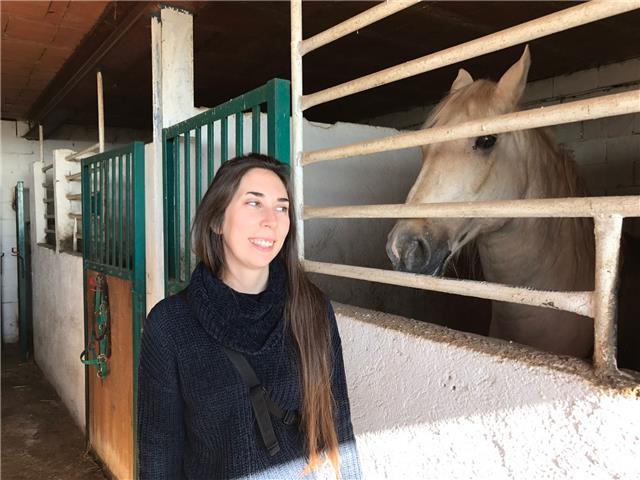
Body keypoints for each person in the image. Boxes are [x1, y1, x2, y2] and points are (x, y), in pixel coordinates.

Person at [137, 154, 362, 479]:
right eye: (254, 203)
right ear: (216, 221)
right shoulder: (170, 325)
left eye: (282, 207)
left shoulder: (312, 309)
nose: (271, 219)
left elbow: (339, 428)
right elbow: (159, 453)